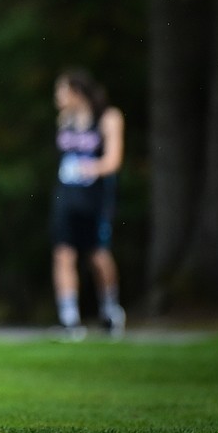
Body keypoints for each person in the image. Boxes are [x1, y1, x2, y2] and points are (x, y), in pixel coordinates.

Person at [50, 68, 126, 341]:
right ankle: (69, 319)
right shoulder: (65, 119)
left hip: (95, 199)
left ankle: (110, 310)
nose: (57, 97)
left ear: (76, 91)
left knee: (98, 256)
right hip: (67, 197)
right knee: (63, 254)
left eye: (61, 90)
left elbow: (113, 160)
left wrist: (89, 168)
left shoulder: (108, 118)